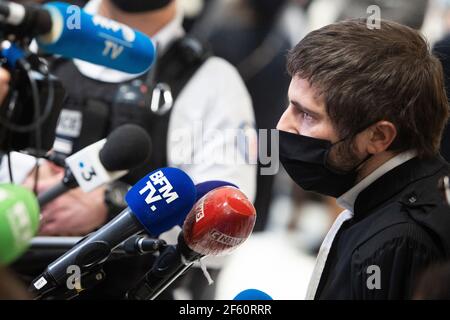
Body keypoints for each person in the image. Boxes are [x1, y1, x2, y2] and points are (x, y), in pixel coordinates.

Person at [277, 19, 450, 299]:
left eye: (307, 115)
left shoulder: (397, 243)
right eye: (289, 106)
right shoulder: (406, 195)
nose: (282, 126)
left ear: (378, 136)